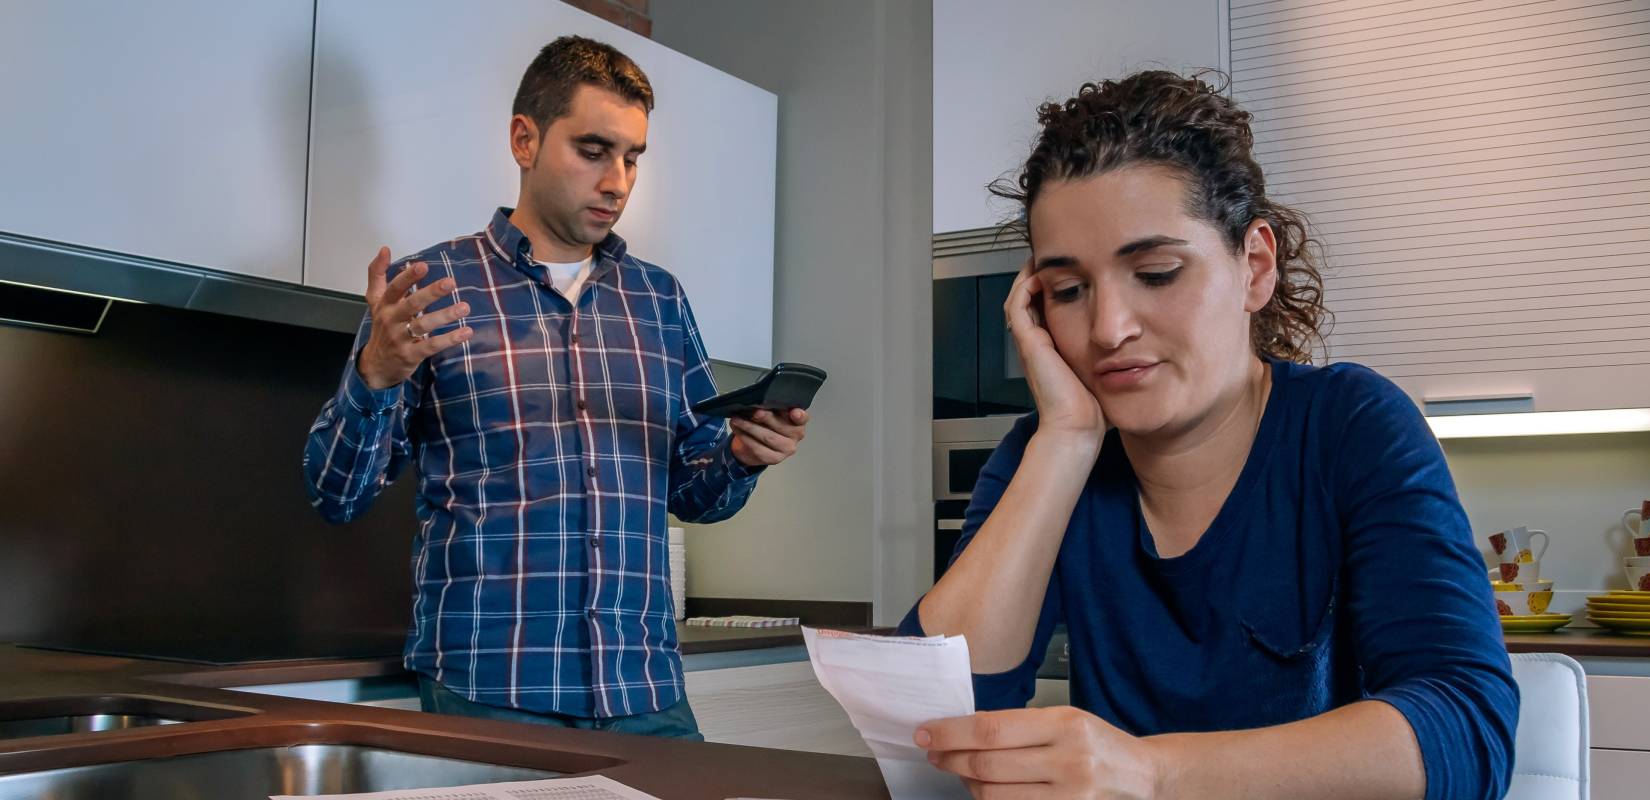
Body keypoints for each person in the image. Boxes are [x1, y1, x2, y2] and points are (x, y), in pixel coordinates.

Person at [899, 71, 1517, 798]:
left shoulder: (1351, 425)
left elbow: (1467, 729)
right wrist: (1065, 440)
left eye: (1156, 273)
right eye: (1068, 291)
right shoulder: (1045, 455)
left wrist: (1155, 773)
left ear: (1254, 266)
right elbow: (927, 721)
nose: (1108, 329)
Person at [303, 36, 808, 740]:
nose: (618, 182)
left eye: (633, 157)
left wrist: (744, 455)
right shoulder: (429, 292)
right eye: (594, 150)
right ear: (524, 139)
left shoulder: (659, 301)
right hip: (491, 689)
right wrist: (374, 378)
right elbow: (335, 493)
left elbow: (694, 493)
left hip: (645, 691)